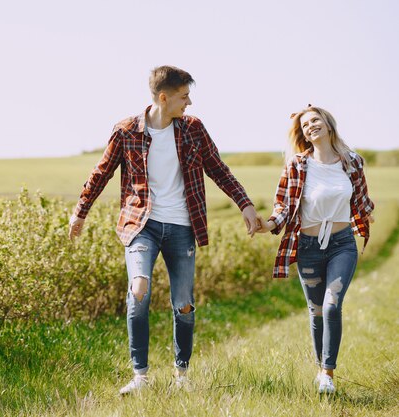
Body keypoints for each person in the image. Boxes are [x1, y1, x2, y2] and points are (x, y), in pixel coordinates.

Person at [68, 65, 260, 394]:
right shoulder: (127, 130)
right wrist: (80, 212)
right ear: (163, 97)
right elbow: (101, 173)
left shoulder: (193, 129)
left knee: (183, 303)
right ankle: (140, 376)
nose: (189, 103)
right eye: (184, 96)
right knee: (139, 289)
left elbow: (218, 168)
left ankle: (181, 376)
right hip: (141, 224)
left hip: (183, 226)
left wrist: (244, 203)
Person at [257, 105, 374, 394]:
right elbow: (284, 205)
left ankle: (328, 374)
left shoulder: (353, 162)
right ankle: (321, 369)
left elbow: (361, 198)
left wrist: (368, 213)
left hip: (342, 244)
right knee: (317, 310)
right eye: (305, 124)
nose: (311, 126)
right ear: (304, 135)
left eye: (315, 120)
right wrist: (269, 224)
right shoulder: (297, 165)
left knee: (333, 304)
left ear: (327, 123)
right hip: (308, 246)